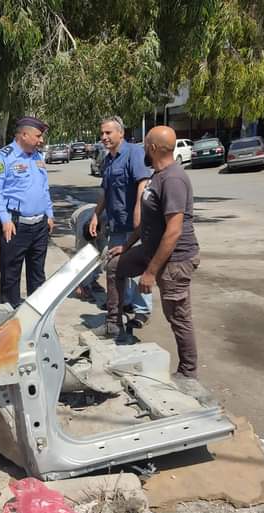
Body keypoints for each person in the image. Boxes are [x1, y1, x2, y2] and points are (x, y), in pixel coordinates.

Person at [108, 126, 201, 378]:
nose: (142, 150)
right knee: (115, 266)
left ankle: (188, 372)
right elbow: (147, 222)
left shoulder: (173, 179)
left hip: (175, 260)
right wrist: (126, 246)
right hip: (150, 250)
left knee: (178, 316)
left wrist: (150, 273)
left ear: (152, 148)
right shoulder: (157, 176)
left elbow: (173, 232)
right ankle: (114, 325)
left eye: (144, 145)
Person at [88, 116, 153, 338]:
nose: (104, 137)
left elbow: (142, 183)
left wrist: (138, 210)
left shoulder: (134, 153)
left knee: (136, 266)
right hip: (116, 223)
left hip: (133, 224)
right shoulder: (108, 160)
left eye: (108, 133)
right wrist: (96, 215)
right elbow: (105, 191)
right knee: (116, 266)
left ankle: (142, 310)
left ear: (121, 133)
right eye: (102, 133)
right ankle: (122, 304)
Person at [0, 116, 54, 308]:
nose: (41, 140)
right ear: (24, 135)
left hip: (40, 225)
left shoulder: (37, 156)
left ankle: (37, 311)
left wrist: (49, 214)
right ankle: (10, 313)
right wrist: (5, 219)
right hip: (15, 225)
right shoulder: (2, 157)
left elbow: (44, 187)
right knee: (11, 273)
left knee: (38, 272)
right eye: (38, 136)